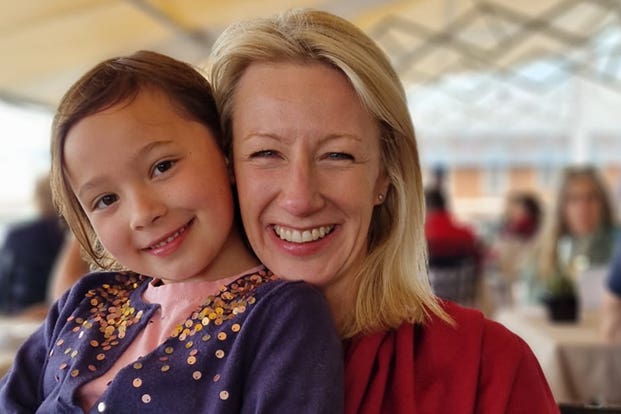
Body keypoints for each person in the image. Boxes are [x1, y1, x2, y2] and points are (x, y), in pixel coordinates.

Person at [209, 9, 558, 412]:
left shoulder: (488, 367)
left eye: (338, 155)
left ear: (385, 175)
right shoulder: (161, 365)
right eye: (266, 153)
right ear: (227, 169)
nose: (300, 198)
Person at [0, 50, 343, 413]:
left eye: (162, 166)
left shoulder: (282, 316)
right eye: (105, 199)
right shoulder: (85, 301)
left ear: (226, 153)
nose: (143, 214)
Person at [521, 166, 617, 304]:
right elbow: (531, 302)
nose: (583, 207)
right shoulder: (544, 251)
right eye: (574, 199)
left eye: (591, 198)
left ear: (603, 203)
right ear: (561, 206)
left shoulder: (616, 244)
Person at [0, 174, 66, 314]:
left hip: (20, 313)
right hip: (56, 311)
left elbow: (4, 285)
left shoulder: (17, 234)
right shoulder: (74, 236)